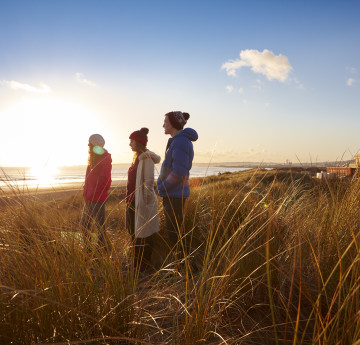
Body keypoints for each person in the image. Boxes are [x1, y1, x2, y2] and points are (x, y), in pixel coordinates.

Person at [156, 111, 198, 249]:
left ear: (174, 124)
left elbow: (179, 171)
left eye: (166, 122)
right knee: (175, 231)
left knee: (175, 233)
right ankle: (184, 264)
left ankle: (186, 266)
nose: (163, 125)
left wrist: (162, 187)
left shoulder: (181, 142)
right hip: (173, 193)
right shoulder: (178, 141)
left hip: (174, 194)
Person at [126, 127, 161, 271]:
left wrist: (145, 203)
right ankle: (137, 262)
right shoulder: (137, 158)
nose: (130, 144)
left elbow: (148, 181)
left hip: (140, 202)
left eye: (132, 141)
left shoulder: (146, 158)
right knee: (133, 232)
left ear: (138, 142)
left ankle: (143, 265)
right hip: (131, 200)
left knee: (143, 234)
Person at [81, 134, 112, 252]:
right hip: (89, 198)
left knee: (100, 227)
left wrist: (95, 193)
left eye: (90, 144)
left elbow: (106, 180)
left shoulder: (104, 158)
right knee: (85, 225)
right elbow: (88, 179)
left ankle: (104, 250)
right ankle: (88, 249)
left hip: (98, 198)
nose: (88, 146)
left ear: (94, 145)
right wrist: (86, 193)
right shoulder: (92, 158)